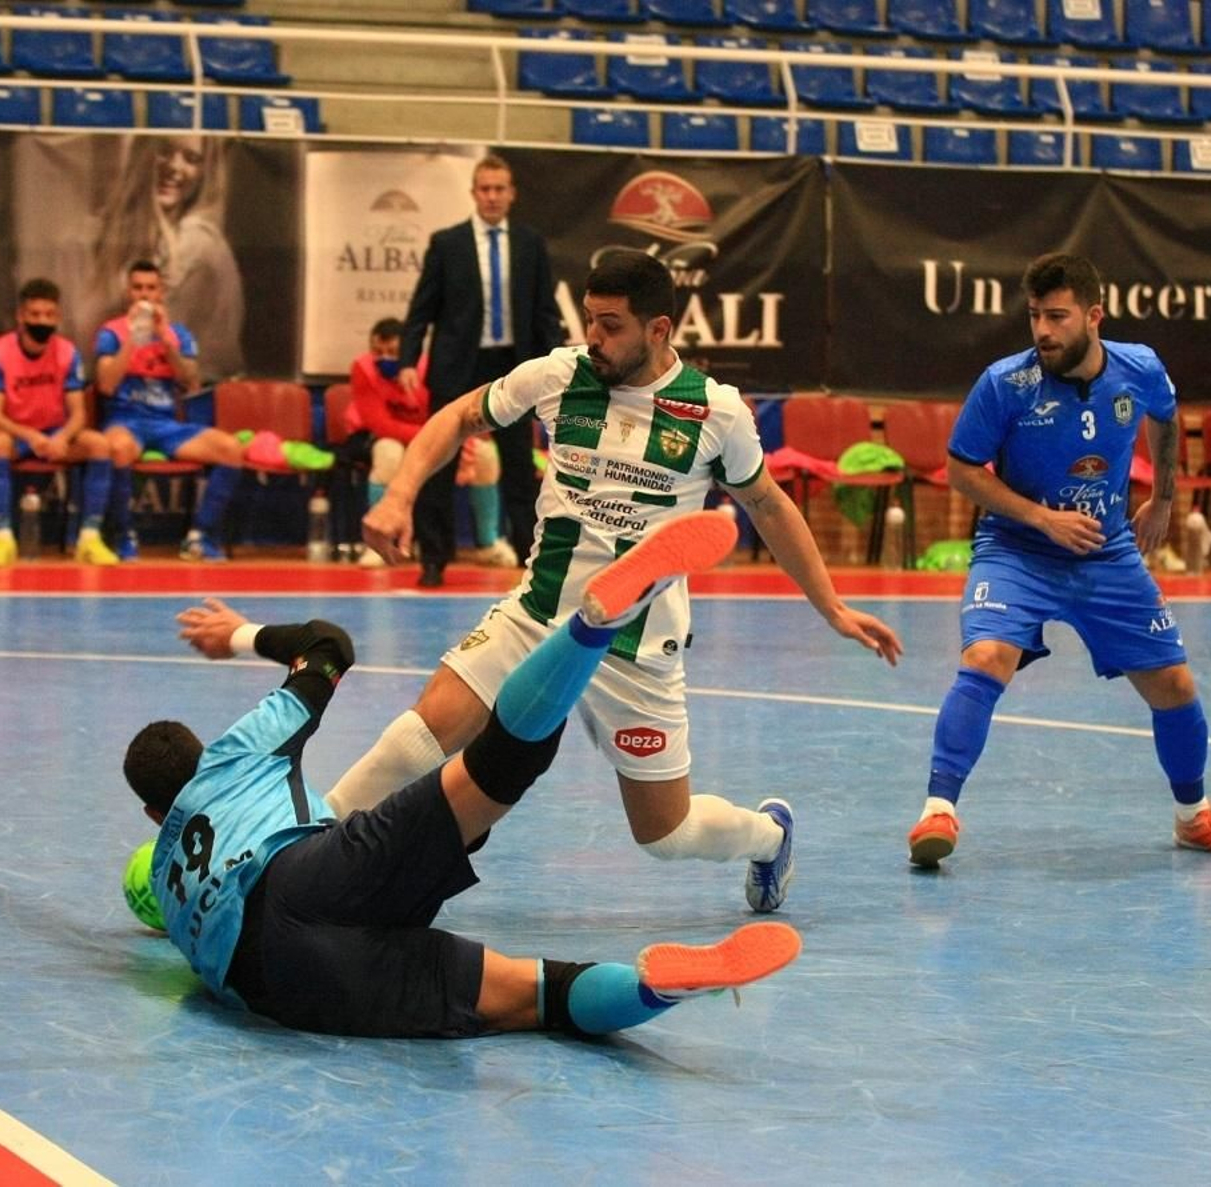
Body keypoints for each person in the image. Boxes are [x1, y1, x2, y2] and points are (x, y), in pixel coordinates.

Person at [337, 251, 903, 915]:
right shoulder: (559, 374)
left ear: (659, 329)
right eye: (588, 320)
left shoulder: (715, 411)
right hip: (539, 616)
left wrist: (831, 606)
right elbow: (461, 415)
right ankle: (288, 851)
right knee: (418, 736)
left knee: (666, 834)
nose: (594, 338)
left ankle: (769, 835)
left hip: (635, 647)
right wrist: (400, 494)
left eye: (611, 326)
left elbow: (768, 506)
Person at [123, 511, 803, 1039]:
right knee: (497, 764)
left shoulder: (167, 887)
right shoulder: (233, 755)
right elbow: (328, 645)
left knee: (537, 995)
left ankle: (657, 989)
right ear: (202, 754)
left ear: (156, 819)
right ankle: (595, 626)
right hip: (308, 871)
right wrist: (241, 635)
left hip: (277, 984)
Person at [906, 252, 1211, 869]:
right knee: (985, 658)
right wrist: (1041, 518)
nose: (1042, 330)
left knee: (1174, 684)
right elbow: (962, 470)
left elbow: (1166, 417)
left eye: (1057, 317)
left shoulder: (1139, 368)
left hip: (1105, 550)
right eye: (1035, 316)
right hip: (1017, 548)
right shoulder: (1005, 383)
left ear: (1095, 315)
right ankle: (938, 811)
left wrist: (1163, 499)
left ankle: (1193, 817)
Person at [398, 153, 563, 587]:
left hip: (512, 366)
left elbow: (545, 311)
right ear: (473, 193)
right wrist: (408, 360)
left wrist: (555, 365)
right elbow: (421, 310)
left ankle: (529, 558)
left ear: (512, 194)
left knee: (518, 466)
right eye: (485, 189)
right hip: (456, 365)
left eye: (499, 189)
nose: (492, 196)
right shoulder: (446, 243)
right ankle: (434, 559)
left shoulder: (530, 244)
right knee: (438, 465)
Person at [94, 260, 246, 562]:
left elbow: (190, 382)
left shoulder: (178, 334)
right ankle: (123, 536)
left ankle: (200, 537)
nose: (144, 295)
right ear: (128, 292)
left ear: (161, 292)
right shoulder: (110, 333)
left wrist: (165, 339)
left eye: (151, 288)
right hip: (125, 420)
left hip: (166, 424)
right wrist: (132, 338)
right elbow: (106, 385)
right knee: (118, 449)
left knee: (230, 449)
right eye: (138, 288)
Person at [347, 317, 516, 568]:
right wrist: (429, 439)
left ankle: (488, 543)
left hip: (426, 435)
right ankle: (380, 543)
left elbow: (450, 416)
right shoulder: (363, 369)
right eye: (377, 351)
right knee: (388, 453)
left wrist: (459, 441)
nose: (384, 358)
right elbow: (380, 424)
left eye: (393, 352)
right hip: (381, 439)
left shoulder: (431, 367)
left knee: (486, 455)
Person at [0, 278, 118, 567]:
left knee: (99, 445)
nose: (42, 321)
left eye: (49, 315)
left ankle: (89, 538)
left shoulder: (67, 353)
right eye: (35, 314)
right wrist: (30, 436)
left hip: (54, 433)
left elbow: (78, 414)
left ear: (58, 317)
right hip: (13, 432)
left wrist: (62, 437)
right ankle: (3, 538)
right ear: (21, 316)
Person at [87, 134, 244, 381]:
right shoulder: (110, 234)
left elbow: (150, 342)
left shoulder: (197, 243)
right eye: (165, 150)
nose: (174, 167)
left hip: (180, 386)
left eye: (191, 159)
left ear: (205, 172)